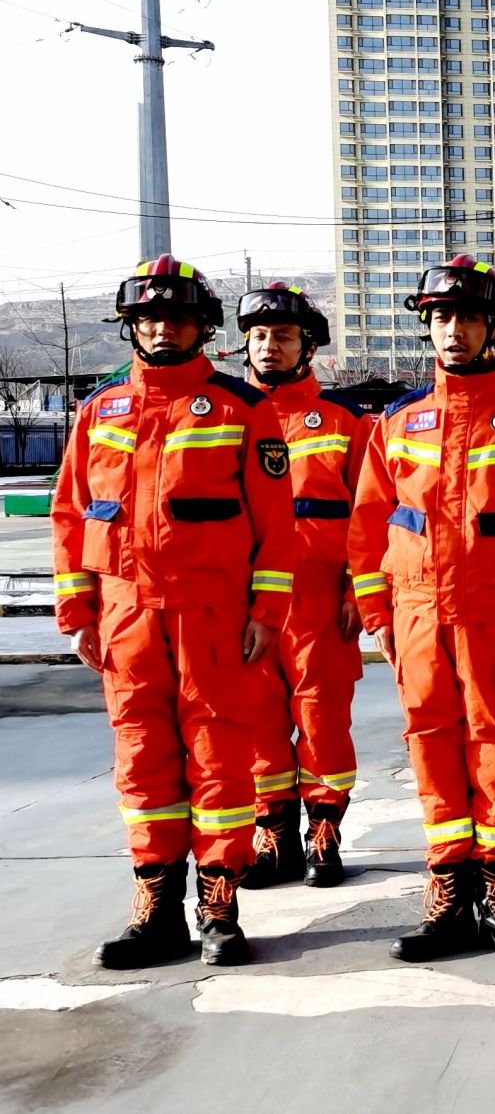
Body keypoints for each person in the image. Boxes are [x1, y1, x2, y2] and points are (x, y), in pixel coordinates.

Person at [52, 256, 295, 967]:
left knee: (220, 758)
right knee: (141, 760)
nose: (163, 329)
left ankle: (219, 907)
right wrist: (78, 610)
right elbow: (71, 514)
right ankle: (156, 911)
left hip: (212, 615)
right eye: (150, 318)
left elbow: (275, 524)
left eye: (178, 318)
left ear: (203, 328)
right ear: (132, 326)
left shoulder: (242, 408)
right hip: (124, 616)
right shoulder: (100, 410)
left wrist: (266, 611)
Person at [349, 255, 495, 961]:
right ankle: (448, 895)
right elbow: (368, 525)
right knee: (431, 744)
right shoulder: (398, 423)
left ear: (492, 328)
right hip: (418, 615)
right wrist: (378, 614)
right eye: (442, 318)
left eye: (469, 319)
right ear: (428, 327)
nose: (454, 331)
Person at [237, 284, 368, 890]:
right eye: (260, 336)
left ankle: (323, 833)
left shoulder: (344, 421)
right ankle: (274, 836)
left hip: (319, 596)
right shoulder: (227, 414)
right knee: (257, 720)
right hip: (244, 600)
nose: (270, 346)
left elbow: (371, 515)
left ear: (307, 346)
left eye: (283, 336)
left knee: (321, 719)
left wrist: (358, 589)